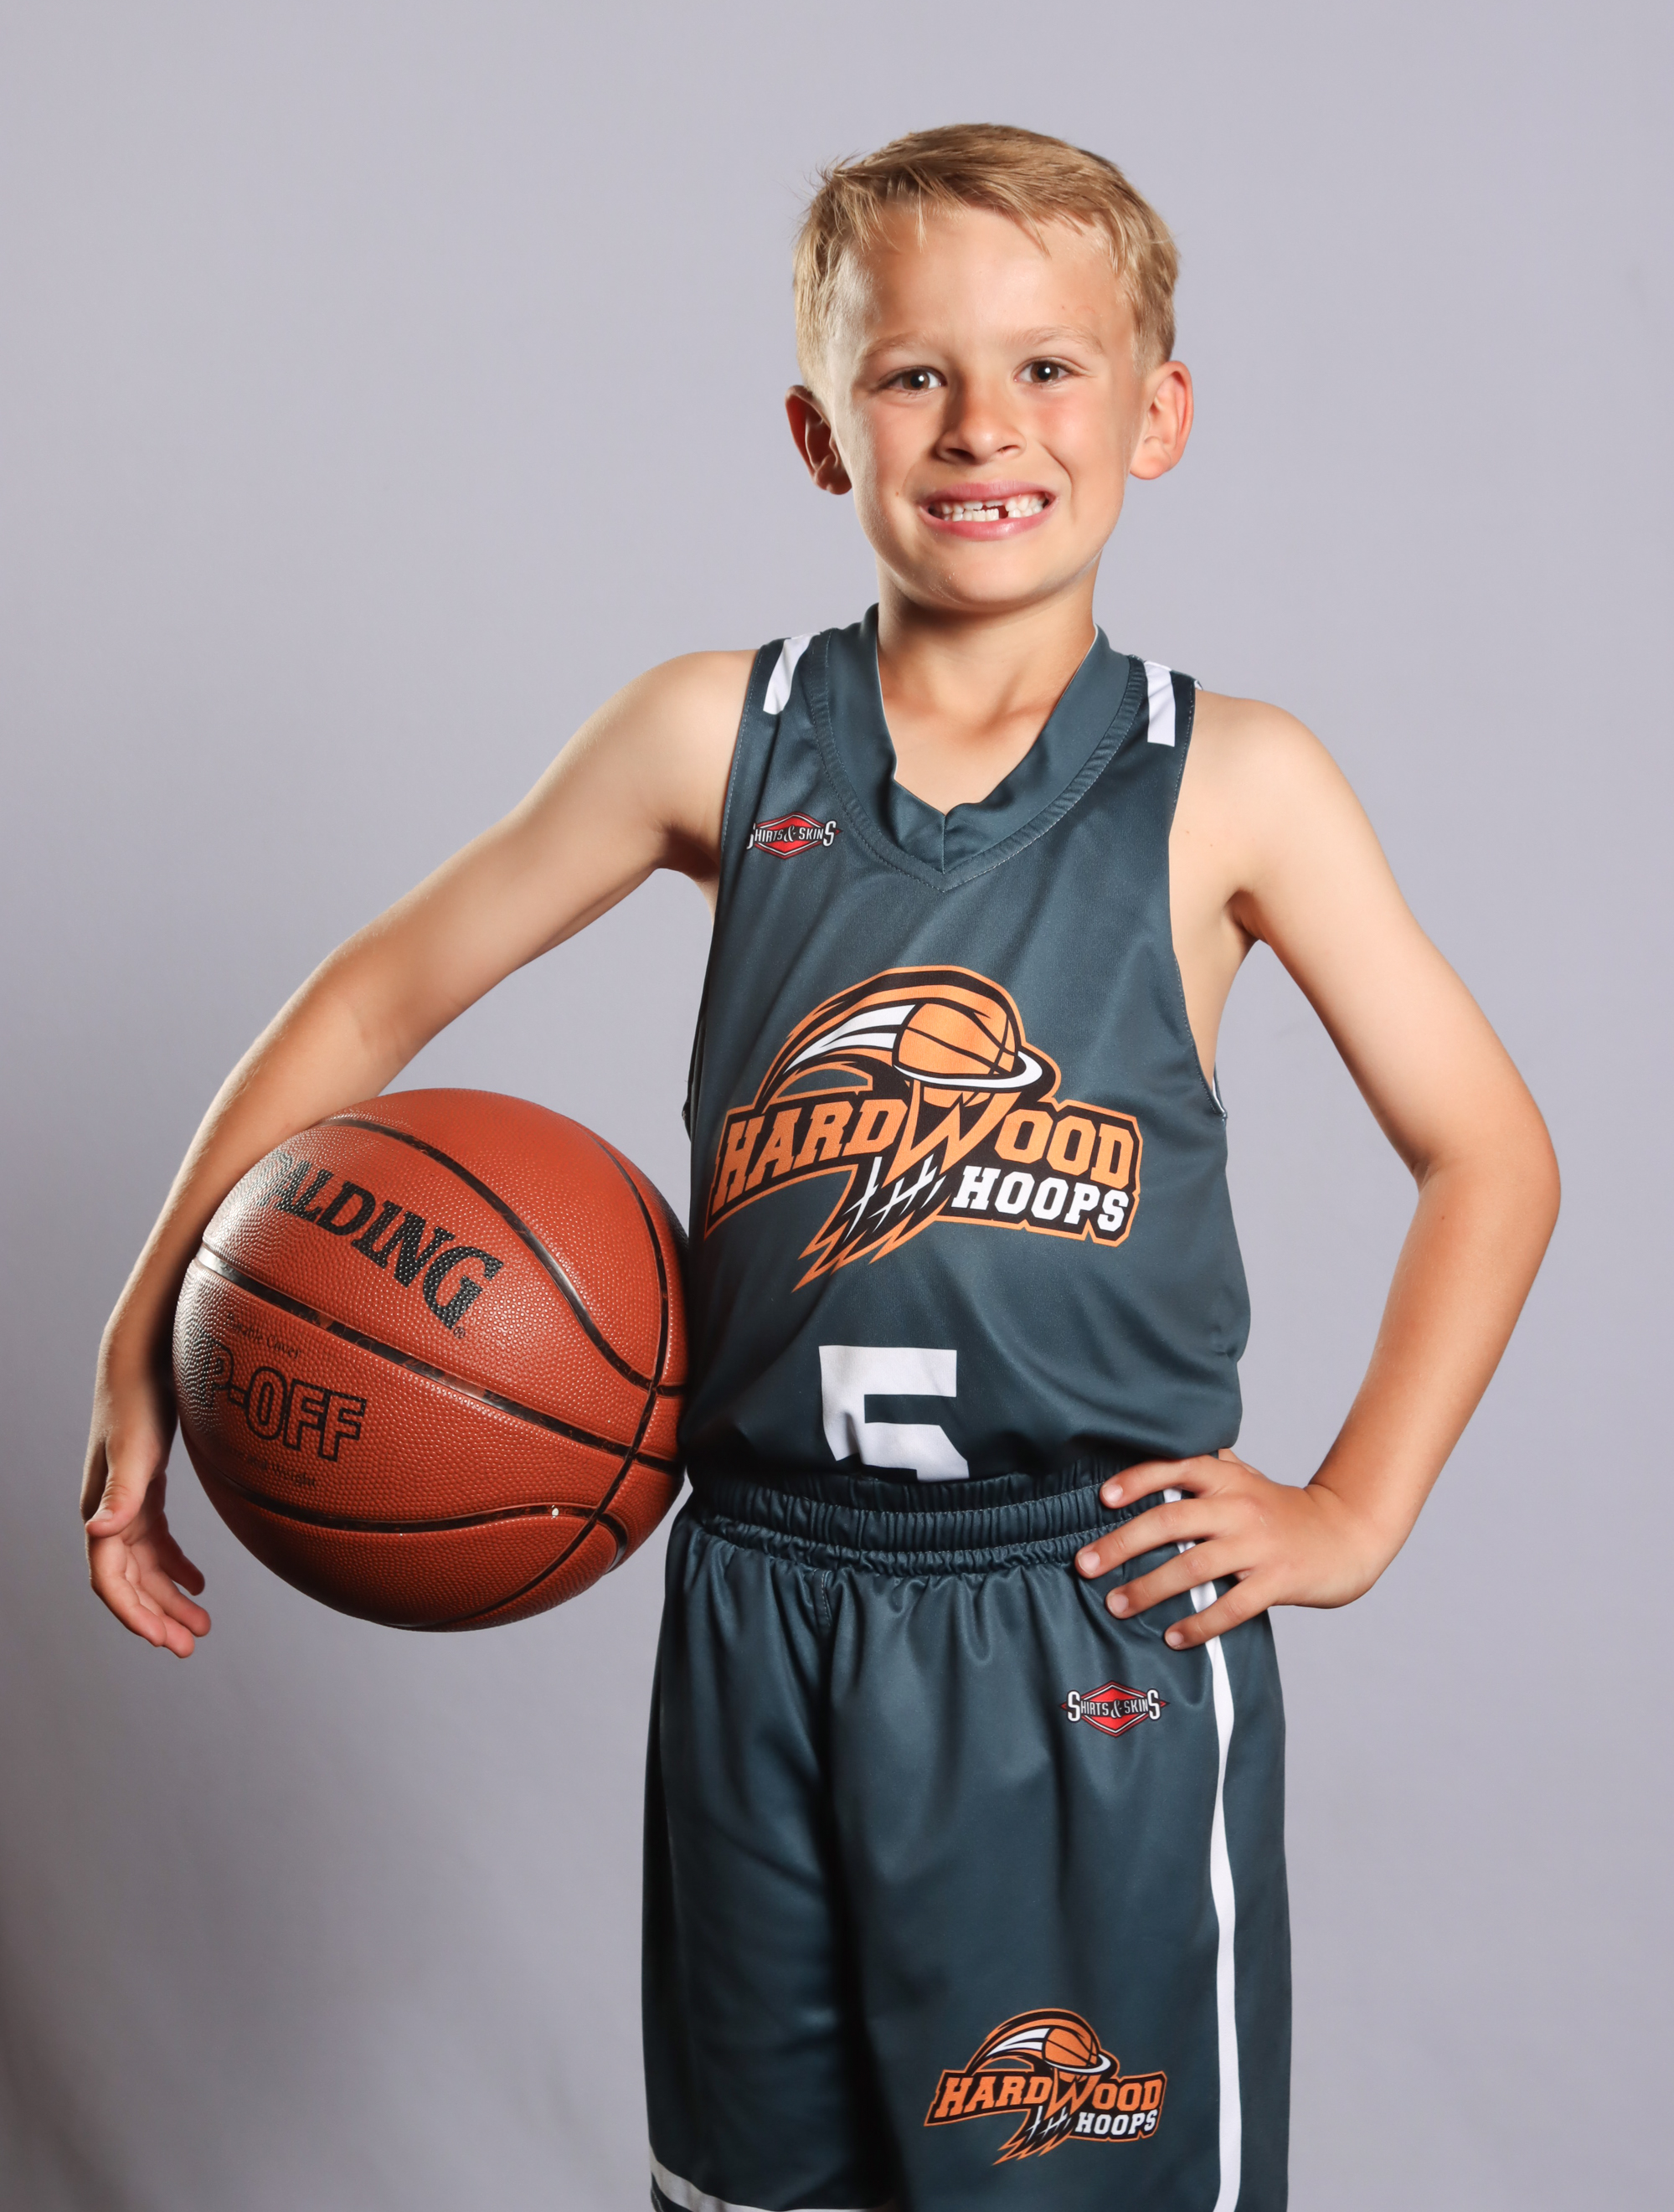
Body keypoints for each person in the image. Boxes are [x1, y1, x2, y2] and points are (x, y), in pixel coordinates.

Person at [83, 124, 1558, 2211]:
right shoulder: (715, 732)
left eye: (1047, 368)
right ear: (817, 428)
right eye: (912, 373)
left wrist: (1354, 1507)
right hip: (764, 1596)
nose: (982, 427)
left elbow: (1488, 1148)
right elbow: (371, 994)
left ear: (1157, 413)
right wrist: (142, 1334)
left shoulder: (1230, 777)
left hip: (1078, 1617)